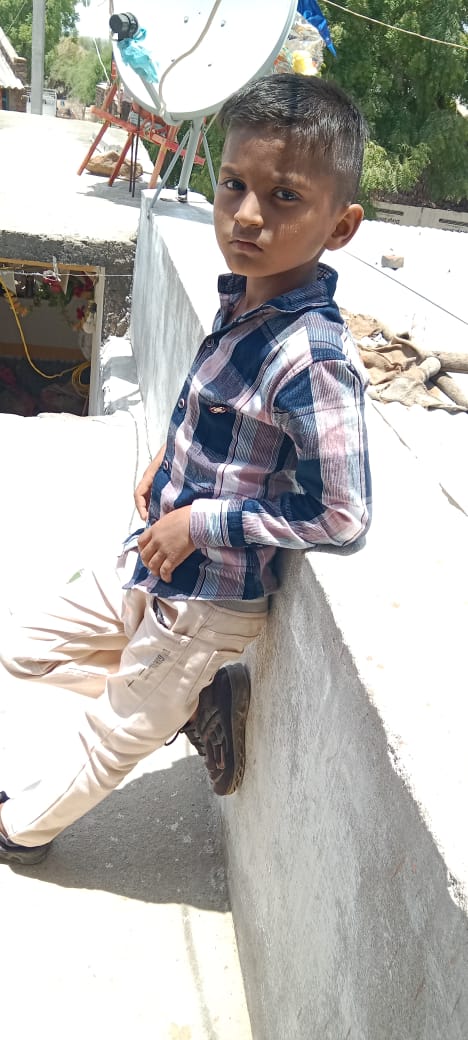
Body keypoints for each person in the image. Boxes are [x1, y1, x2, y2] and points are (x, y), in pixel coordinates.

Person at [0, 73, 371, 866]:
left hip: (206, 599)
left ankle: (21, 829)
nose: (248, 214)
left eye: (284, 197)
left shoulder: (314, 355)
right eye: (234, 184)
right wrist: (170, 456)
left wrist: (200, 521)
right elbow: (230, 416)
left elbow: (342, 515)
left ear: (340, 227)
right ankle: (186, 702)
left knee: (113, 734)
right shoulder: (246, 298)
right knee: (22, 648)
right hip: (152, 559)